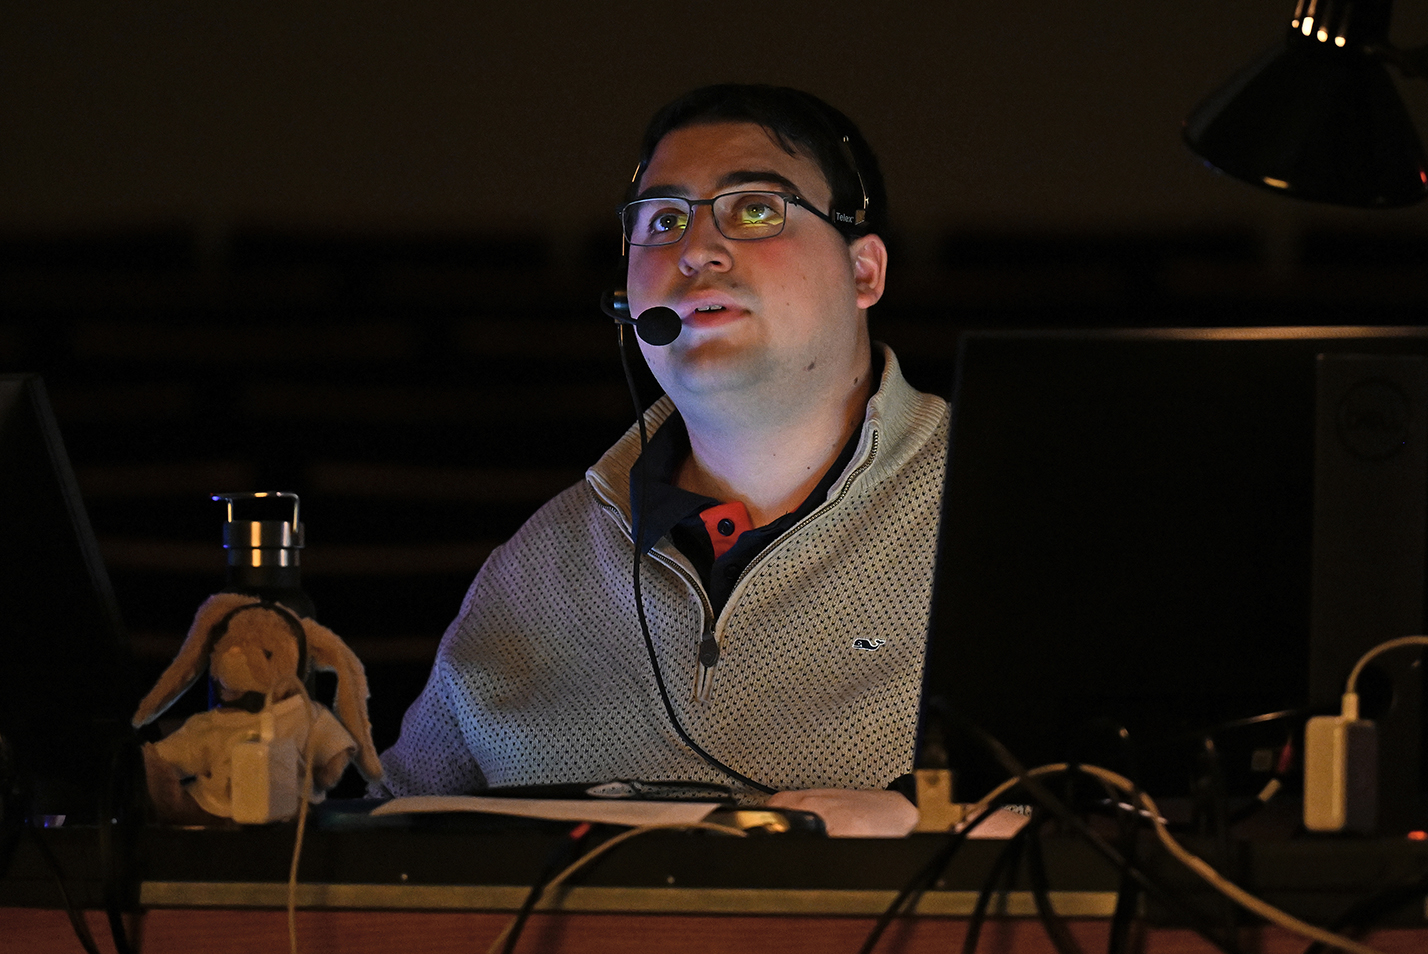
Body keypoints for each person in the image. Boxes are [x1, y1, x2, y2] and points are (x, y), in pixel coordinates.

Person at [376, 85, 949, 836]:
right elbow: (385, 834)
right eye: (665, 220)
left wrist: (933, 825)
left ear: (864, 272)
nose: (696, 250)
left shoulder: (1013, 512)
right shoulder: (538, 564)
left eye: (754, 209)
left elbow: (1126, 819)